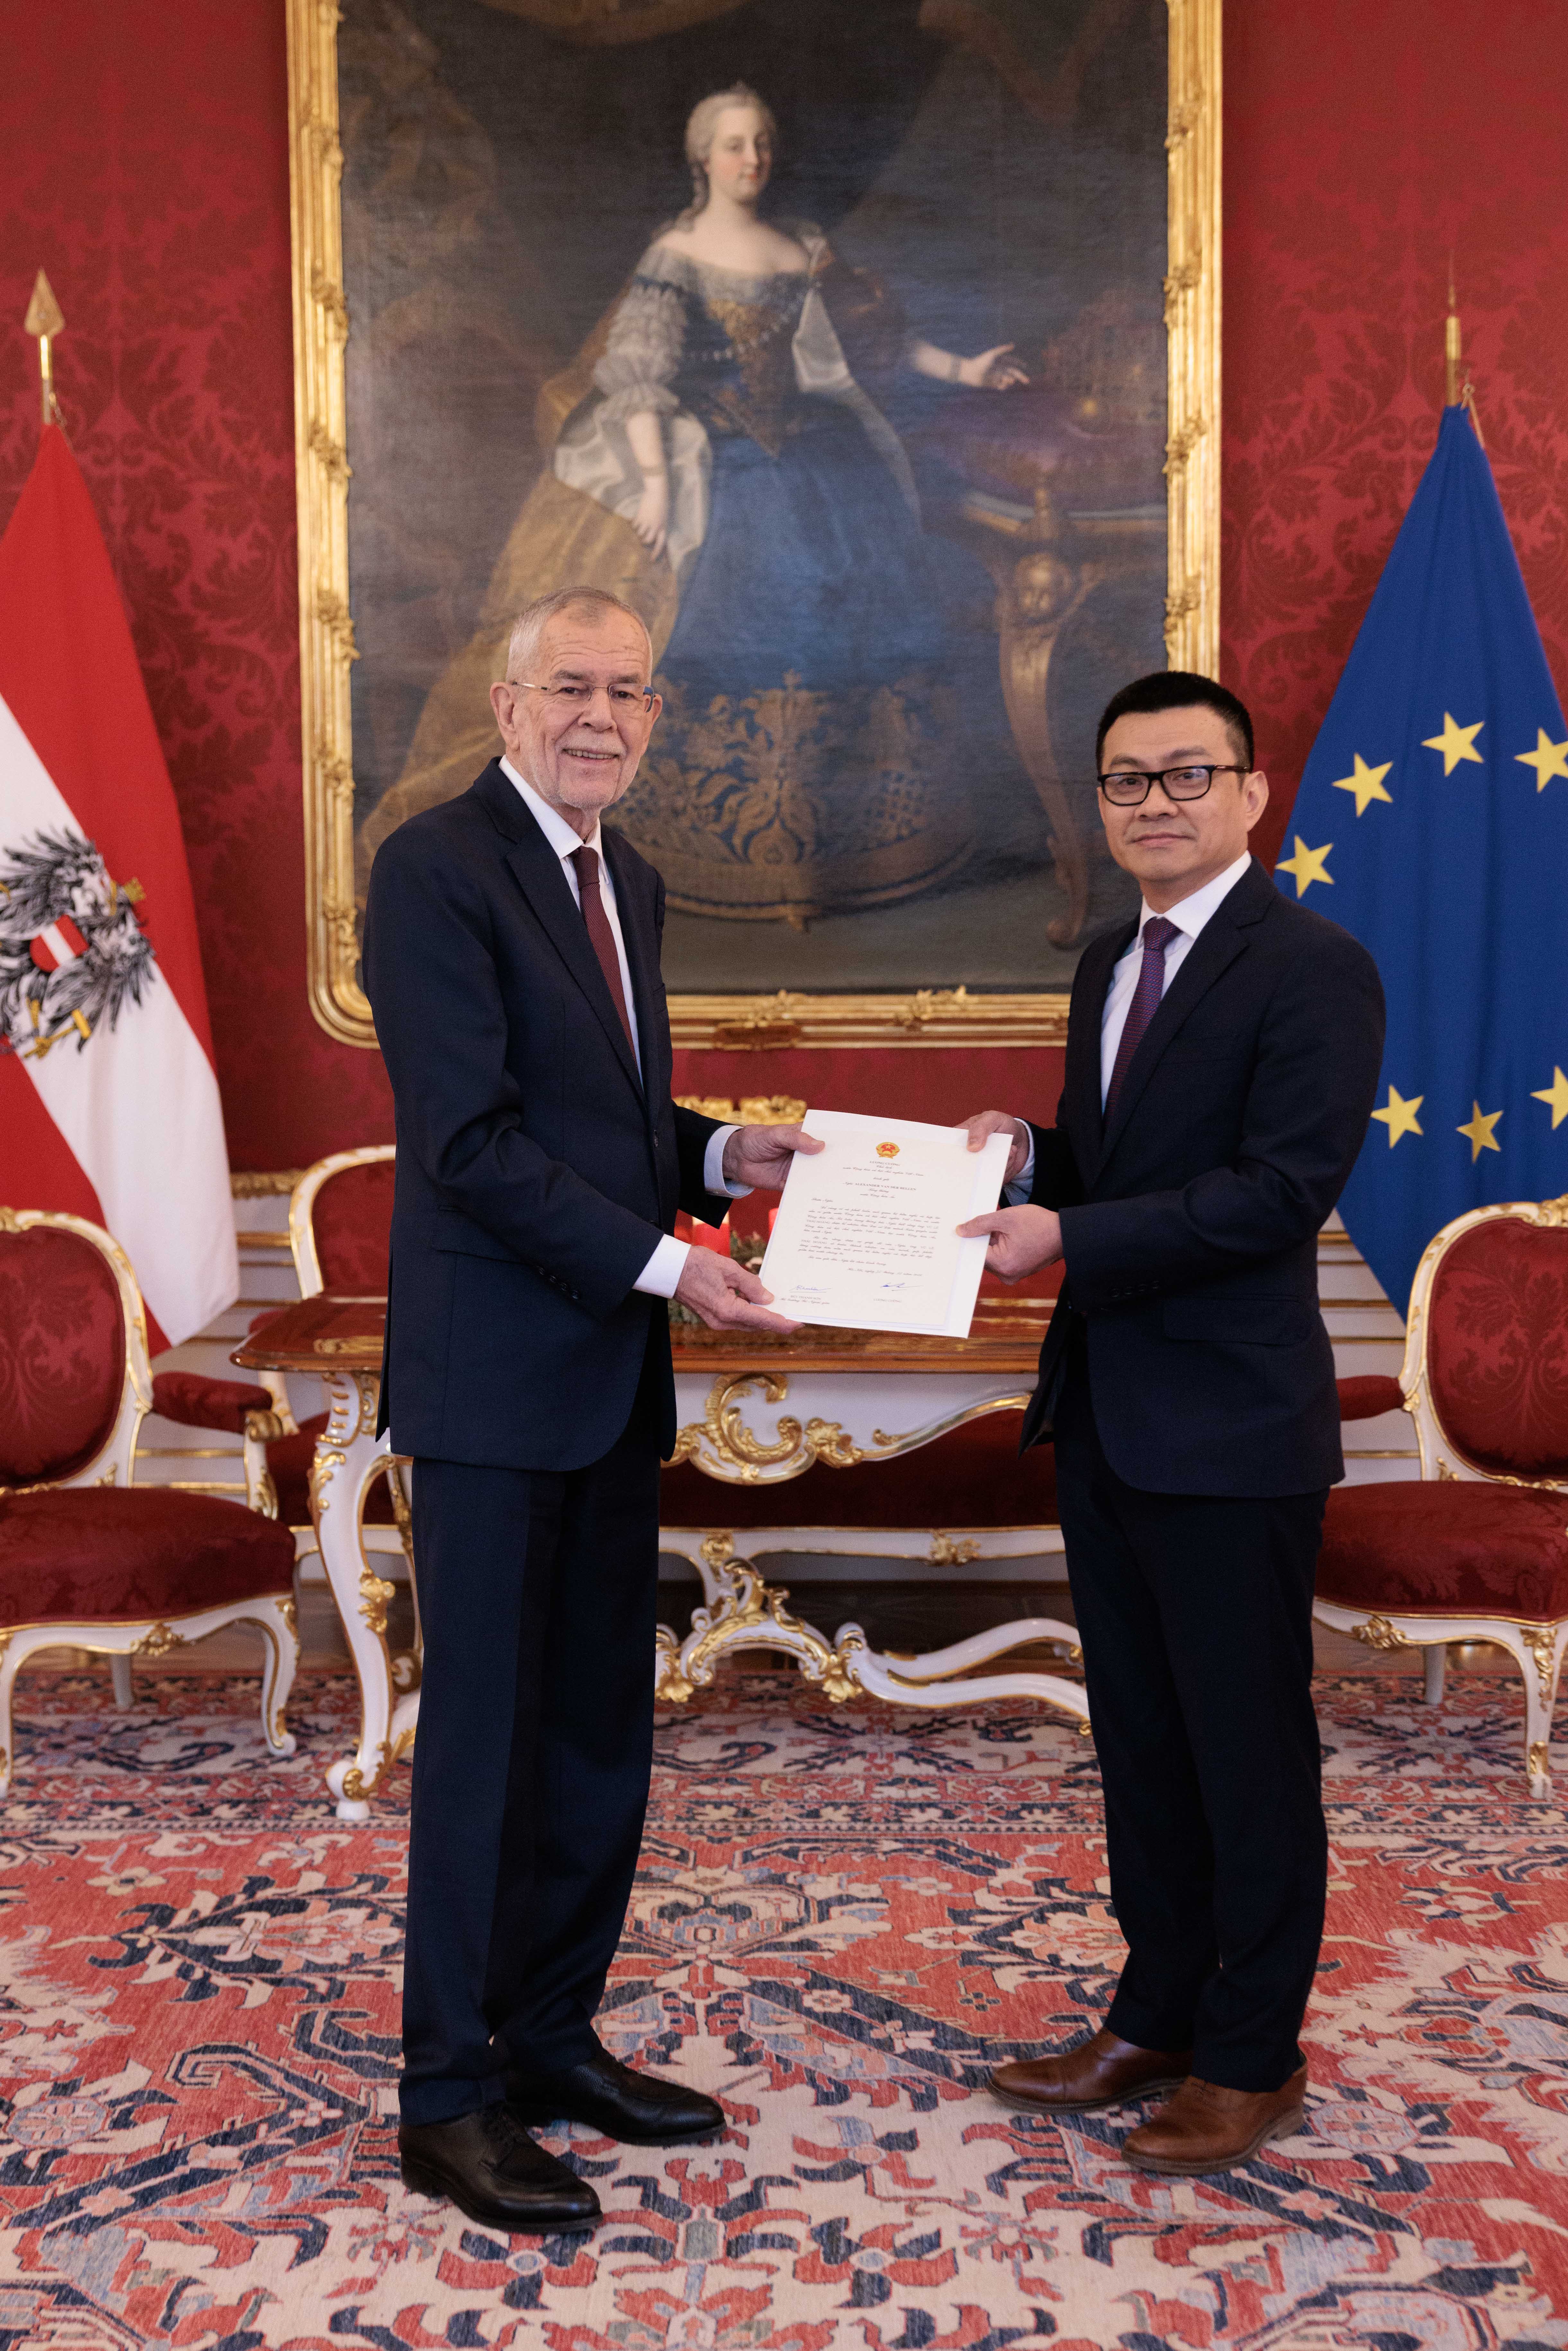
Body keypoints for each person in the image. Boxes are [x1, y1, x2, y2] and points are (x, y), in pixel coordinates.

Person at [362, 584, 821, 2234]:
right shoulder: (434, 869)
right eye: (572, 687)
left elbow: (606, 1112)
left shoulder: (629, 873)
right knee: (485, 1750)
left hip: (607, 1384)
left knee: (594, 1740)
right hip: (494, 1390)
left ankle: (551, 2039)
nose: (601, 717)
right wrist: (677, 1265)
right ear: (507, 703)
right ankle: (447, 2097)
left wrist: (719, 1154)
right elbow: (472, 1143)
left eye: (629, 691)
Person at [959, 671, 1384, 2175]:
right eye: (1128, 780)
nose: (1156, 802)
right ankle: (1157, 2016)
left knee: (1245, 1752)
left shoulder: (1314, 968)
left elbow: (1277, 1193)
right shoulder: (1108, 963)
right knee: (1142, 1742)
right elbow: (1123, 1162)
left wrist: (1067, 1237)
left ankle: (1253, 2054)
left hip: (1231, 1425)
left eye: (1188, 773)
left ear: (1252, 792)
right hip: (1109, 1410)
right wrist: (1030, 1163)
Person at [369, 82, 1025, 924]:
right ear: (702, 158)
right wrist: (655, 483)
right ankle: (714, 844)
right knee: (720, 604)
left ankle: (849, 840)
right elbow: (639, 378)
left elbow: (874, 341)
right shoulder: (676, 253)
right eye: (734, 145)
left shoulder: (802, 245)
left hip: (819, 457)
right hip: (713, 462)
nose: (751, 159)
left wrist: (965, 370)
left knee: (849, 615)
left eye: (761, 144)